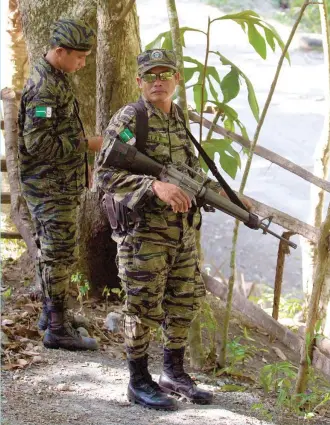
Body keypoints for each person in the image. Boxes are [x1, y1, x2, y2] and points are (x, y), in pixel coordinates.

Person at [97, 49, 250, 410]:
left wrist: (228, 199)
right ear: (139, 82)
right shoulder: (131, 119)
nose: (158, 81)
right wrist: (154, 187)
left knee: (183, 301)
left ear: (177, 80)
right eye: (150, 76)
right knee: (142, 306)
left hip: (181, 233)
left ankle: (173, 372)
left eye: (165, 74)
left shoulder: (180, 118)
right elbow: (104, 173)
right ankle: (138, 380)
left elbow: (189, 173)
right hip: (144, 236)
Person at [18, 18, 102, 351]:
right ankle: (56, 327)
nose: (82, 64)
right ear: (60, 51)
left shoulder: (57, 76)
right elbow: (38, 145)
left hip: (59, 183)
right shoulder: (44, 86)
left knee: (56, 252)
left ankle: (53, 314)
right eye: (79, 57)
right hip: (48, 187)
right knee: (59, 253)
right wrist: (86, 145)